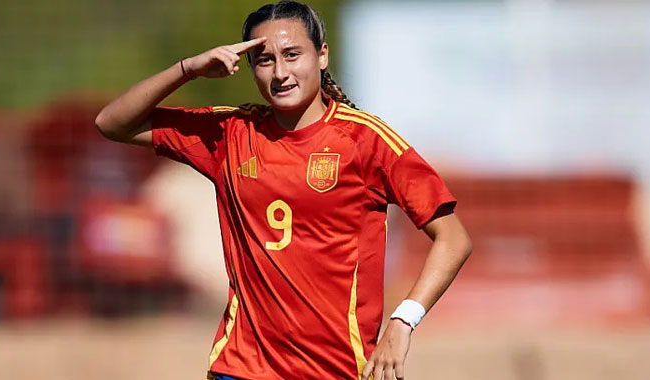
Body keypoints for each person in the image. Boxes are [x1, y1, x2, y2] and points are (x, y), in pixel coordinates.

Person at [94, 1, 472, 379]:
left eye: (293, 55)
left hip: (338, 369)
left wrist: (403, 320)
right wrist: (188, 69)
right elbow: (113, 123)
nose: (280, 73)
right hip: (241, 368)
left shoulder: (366, 140)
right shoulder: (229, 133)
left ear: (322, 56)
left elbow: (453, 238)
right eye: (264, 59)